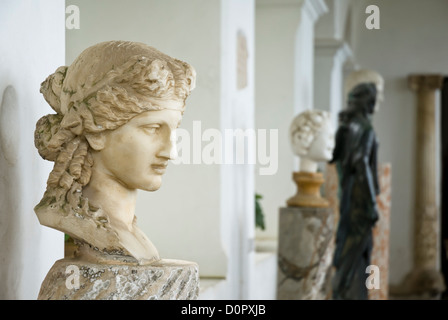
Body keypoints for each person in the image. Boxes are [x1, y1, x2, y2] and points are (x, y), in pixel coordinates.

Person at [34, 41, 196, 264]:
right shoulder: (93, 231)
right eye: (152, 128)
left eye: (173, 130)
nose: (171, 152)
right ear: (96, 130)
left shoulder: (133, 236)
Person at [330, 82, 380, 299]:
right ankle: (342, 290)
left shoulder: (347, 127)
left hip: (348, 196)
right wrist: (371, 203)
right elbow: (361, 164)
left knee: (351, 249)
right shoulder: (365, 128)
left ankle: (343, 290)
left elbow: (339, 161)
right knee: (357, 251)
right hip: (360, 200)